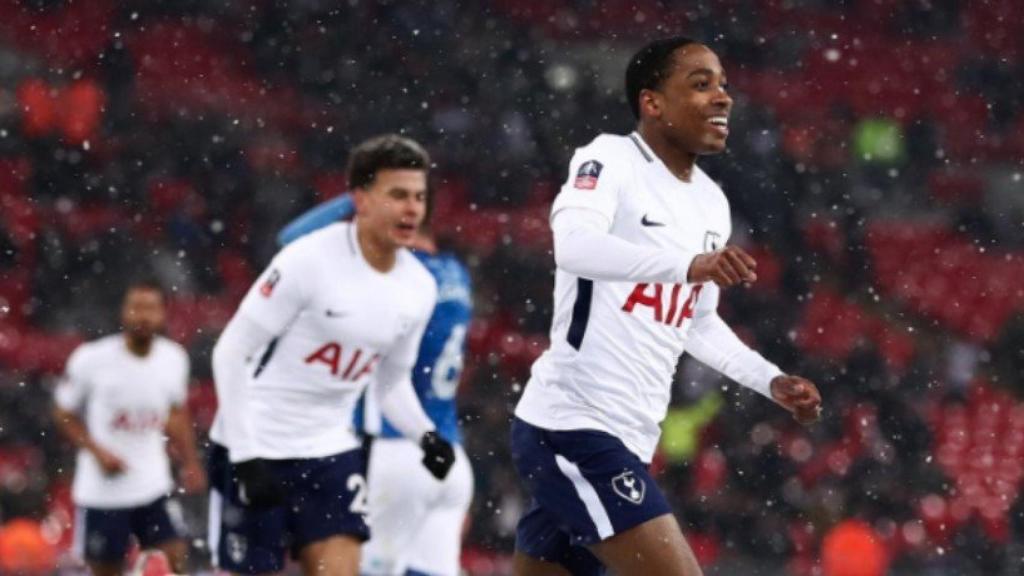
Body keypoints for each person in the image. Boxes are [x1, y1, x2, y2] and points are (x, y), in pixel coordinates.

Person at [511, 36, 824, 576]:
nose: (723, 97)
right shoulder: (609, 158)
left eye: (723, 84)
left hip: (630, 439)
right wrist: (687, 264)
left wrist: (769, 380)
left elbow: (697, 322)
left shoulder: (711, 202)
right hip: (573, 426)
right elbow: (574, 247)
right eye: (701, 84)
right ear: (652, 102)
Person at [207, 134, 457, 576]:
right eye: (398, 195)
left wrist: (424, 436)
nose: (412, 209)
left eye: (419, 197)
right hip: (255, 446)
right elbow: (232, 351)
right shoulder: (308, 261)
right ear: (361, 199)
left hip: (330, 452)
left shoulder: (419, 287)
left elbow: (389, 381)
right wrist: (245, 456)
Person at [278, 192, 474, 576]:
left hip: (393, 450)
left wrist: (358, 195)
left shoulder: (393, 279)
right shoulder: (455, 273)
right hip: (447, 454)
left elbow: (291, 243)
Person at [53, 280, 206, 576]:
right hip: (102, 492)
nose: (143, 316)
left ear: (163, 314)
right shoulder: (91, 359)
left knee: (175, 561)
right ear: (123, 312)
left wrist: (191, 462)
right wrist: (98, 452)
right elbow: (63, 413)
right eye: (136, 307)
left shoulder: (174, 359)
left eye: (150, 308)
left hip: (153, 485)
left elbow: (176, 413)